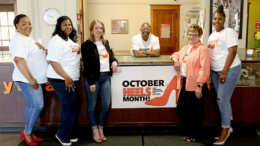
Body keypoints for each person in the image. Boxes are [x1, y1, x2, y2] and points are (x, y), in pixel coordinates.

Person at [9, 14, 48, 145]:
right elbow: (18, 60)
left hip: (34, 79)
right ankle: (27, 133)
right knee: (37, 105)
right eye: (24, 24)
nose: (28, 26)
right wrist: (30, 78)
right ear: (17, 26)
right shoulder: (18, 39)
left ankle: (28, 130)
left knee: (32, 105)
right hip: (26, 80)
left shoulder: (27, 39)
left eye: (29, 23)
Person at [169, 24, 210, 142]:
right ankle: (188, 131)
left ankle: (194, 134)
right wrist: (176, 59)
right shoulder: (186, 48)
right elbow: (175, 54)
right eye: (190, 34)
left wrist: (199, 86)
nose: (191, 37)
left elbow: (204, 69)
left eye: (195, 35)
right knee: (181, 108)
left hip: (198, 84)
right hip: (186, 83)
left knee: (197, 111)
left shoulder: (203, 49)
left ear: (200, 36)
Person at [208, 5, 241, 145]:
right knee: (222, 100)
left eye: (220, 19)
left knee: (222, 100)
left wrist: (224, 72)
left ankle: (225, 130)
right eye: (215, 18)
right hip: (215, 71)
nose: (217, 21)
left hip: (229, 70)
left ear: (224, 20)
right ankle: (228, 126)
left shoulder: (229, 32)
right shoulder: (212, 35)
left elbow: (232, 52)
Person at [81, 19, 118, 143]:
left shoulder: (105, 42)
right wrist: (91, 82)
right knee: (92, 105)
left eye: (101, 28)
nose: (99, 30)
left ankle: (101, 128)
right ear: (92, 29)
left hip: (105, 77)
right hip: (93, 79)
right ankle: (94, 130)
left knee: (106, 105)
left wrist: (114, 61)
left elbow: (111, 55)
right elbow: (87, 65)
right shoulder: (86, 45)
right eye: (96, 28)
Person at [47, 16, 80, 146]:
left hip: (72, 78)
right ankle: (62, 134)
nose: (68, 27)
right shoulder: (56, 40)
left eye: (70, 25)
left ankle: (69, 132)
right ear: (59, 26)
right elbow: (53, 62)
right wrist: (66, 77)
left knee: (73, 106)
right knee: (69, 105)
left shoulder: (70, 39)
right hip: (61, 78)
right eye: (65, 25)